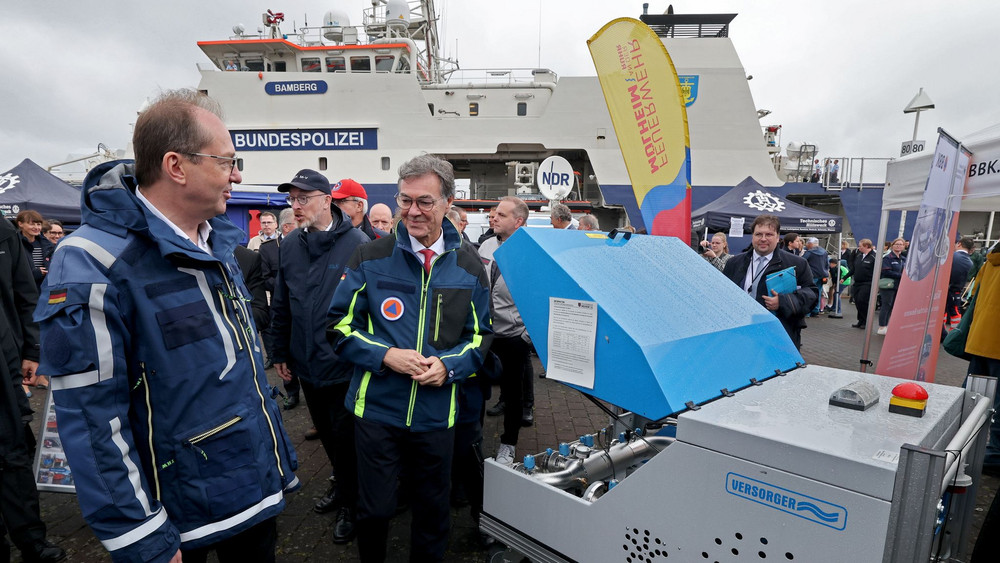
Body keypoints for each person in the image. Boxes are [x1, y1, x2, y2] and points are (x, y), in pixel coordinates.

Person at [34, 89, 298, 562]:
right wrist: (141, 538)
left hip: (252, 491)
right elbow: (93, 419)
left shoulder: (217, 243)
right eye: (227, 162)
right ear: (177, 166)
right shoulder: (92, 260)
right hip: (180, 520)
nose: (237, 175)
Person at [328, 154, 492, 562]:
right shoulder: (370, 257)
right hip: (376, 411)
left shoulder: (470, 265)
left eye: (425, 201)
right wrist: (387, 357)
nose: (413, 211)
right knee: (376, 509)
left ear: (448, 203)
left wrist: (448, 366)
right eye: (405, 200)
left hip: (437, 416)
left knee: (433, 515)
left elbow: (480, 337)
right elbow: (338, 329)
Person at [269, 169, 369, 542]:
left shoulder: (358, 243)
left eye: (303, 198)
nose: (295, 206)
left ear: (327, 200)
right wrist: (279, 349)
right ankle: (343, 487)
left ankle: (355, 504)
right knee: (327, 435)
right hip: (306, 363)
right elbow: (282, 302)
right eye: (292, 199)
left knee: (348, 441)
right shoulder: (291, 244)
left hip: (344, 365)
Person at [0, 212, 66, 563]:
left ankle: (31, 540)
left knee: (14, 452)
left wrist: (30, 350)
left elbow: (26, 294)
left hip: (4, 362)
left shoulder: (3, 231)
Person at [479, 196, 532, 465]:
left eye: (501, 214)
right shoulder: (486, 246)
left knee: (513, 394)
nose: (493, 217)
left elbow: (538, 297)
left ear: (518, 221)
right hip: (483, 333)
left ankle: (508, 444)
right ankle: (474, 439)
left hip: (512, 337)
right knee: (477, 388)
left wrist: (526, 336)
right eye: (494, 213)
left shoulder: (530, 253)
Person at [722, 215, 817, 349]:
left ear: (778, 237)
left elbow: (812, 295)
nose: (763, 239)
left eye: (769, 234)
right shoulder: (734, 263)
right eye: (758, 234)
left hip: (778, 337)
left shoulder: (797, 264)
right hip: (741, 335)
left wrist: (784, 302)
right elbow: (723, 295)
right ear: (752, 236)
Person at [843, 239, 877, 329]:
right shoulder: (859, 256)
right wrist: (845, 277)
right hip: (857, 282)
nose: (859, 248)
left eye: (860, 246)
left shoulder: (874, 257)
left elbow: (877, 271)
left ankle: (866, 321)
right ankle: (860, 320)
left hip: (867, 283)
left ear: (866, 246)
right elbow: (854, 269)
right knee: (857, 301)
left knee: (862, 300)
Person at [15, 211, 54, 287]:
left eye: (39, 224)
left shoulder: (47, 244)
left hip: (44, 288)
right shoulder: (15, 244)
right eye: (32, 224)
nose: (36, 227)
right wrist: (34, 274)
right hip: (24, 290)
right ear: (20, 224)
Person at [876, 238, 906, 335]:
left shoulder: (903, 259)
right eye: (896, 244)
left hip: (899, 286)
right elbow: (886, 271)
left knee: (892, 305)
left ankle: (887, 325)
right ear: (892, 245)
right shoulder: (887, 258)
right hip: (888, 286)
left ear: (904, 246)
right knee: (886, 305)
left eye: (901, 244)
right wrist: (902, 276)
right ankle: (882, 326)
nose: (898, 246)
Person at [946, 237, 974, 326]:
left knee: (943, 313)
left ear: (959, 244)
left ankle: (942, 334)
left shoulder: (951, 257)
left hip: (946, 290)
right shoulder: (970, 262)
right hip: (957, 291)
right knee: (955, 314)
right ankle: (953, 335)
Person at [803, 237, 830, 316]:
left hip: (812, 275)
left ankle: (807, 312)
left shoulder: (810, 252)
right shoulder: (824, 252)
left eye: (807, 244)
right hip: (822, 275)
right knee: (818, 292)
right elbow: (827, 264)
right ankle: (816, 310)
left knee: (809, 293)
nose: (806, 245)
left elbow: (802, 261)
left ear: (810, 244)